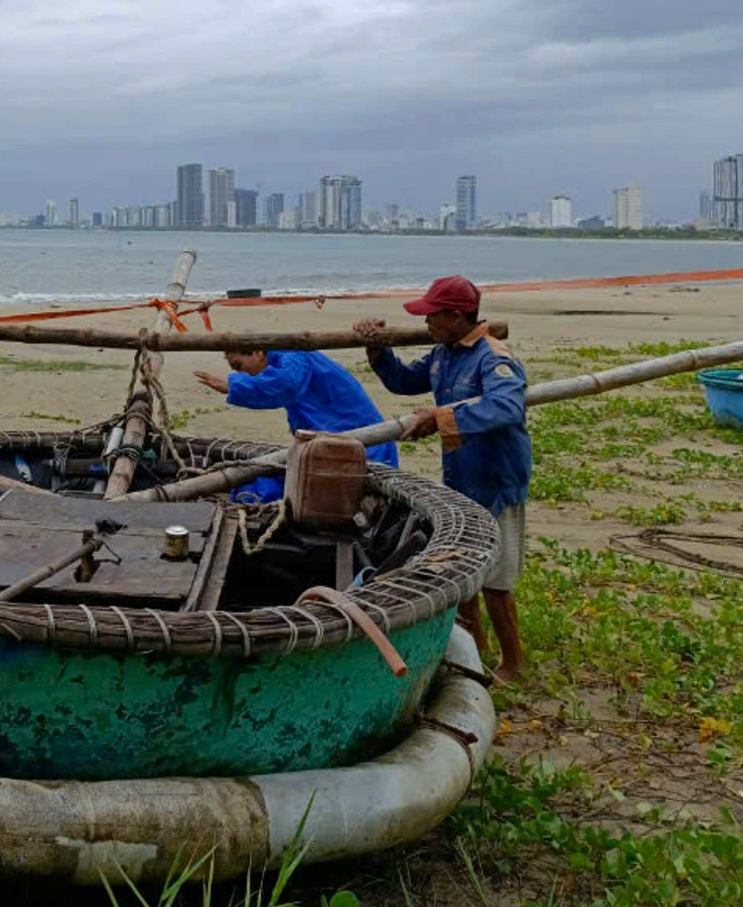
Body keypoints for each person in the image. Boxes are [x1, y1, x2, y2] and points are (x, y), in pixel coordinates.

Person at [353, 276, 531, 682]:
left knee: (497, 580)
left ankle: (514, 665)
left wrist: (440, 418)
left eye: (434, 315)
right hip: (462, 474)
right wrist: (377, 349)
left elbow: (505, 407)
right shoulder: (443, 355)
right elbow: (404, 381)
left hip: (496, 476)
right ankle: (476, 648)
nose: (428, 322)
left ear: (456, 315)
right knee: (463, 567)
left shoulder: (493, 357)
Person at [193, 349, 399, 503]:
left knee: (264, 488)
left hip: (367, 449)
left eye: (239, 366)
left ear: (257, 353)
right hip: (344, 446)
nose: (242, 374)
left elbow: (286, 385)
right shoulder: (287, 361)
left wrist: (233, 386)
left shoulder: (294, 358)